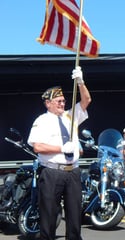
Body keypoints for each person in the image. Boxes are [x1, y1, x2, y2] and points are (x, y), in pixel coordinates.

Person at [27, 66, 91, 240]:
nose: (63, 104)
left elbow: (86, 100)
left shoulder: (70, 117)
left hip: (73, 171)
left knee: (75, 214)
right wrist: (61, 149)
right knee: (49, 214)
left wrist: (80, 82)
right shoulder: (42, 121)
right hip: (52, 171)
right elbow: (38, 147)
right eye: (59, 101)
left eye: (63, 101)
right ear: (48, 103)